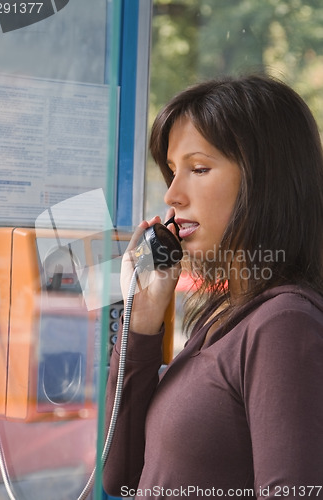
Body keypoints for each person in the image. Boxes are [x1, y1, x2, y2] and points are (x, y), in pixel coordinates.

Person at [103, 74, 323, 499]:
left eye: (199, 169)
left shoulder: (284, 325)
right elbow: (122, 475)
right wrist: (144, 321)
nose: (173, 196)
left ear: (266, 183)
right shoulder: (226, 313)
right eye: (172, 172)